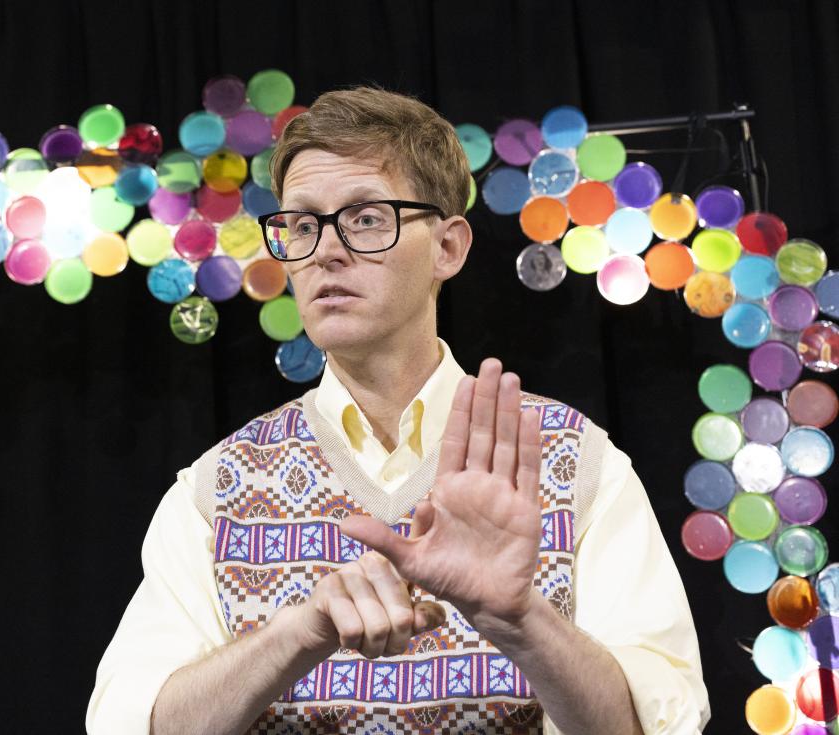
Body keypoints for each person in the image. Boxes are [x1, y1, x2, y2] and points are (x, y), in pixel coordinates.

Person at [87, 87, 709, 734]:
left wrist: (520, 619)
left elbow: (656, 722)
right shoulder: (216, 491)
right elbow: (135, 723)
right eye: (301, 224)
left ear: (449, 247)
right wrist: (299, 633)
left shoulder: (573, 461)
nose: (326, 250)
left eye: (364, 218)